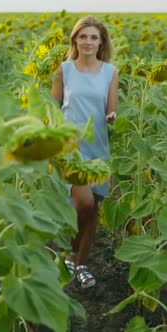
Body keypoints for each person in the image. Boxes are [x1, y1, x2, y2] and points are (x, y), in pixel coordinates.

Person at [52, 15, 119, 289]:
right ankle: (71, 257)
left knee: (93, 213)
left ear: (101, 42)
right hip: (70, 149)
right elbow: (52, 109)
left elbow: (111, 109)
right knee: (85, 205)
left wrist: (113, 116)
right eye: (83, 36)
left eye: (94, 37)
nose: (88, 42)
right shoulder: (64, 70)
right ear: (75, 40)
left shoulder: (110, 72)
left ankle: (78, 263)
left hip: (98, 148)